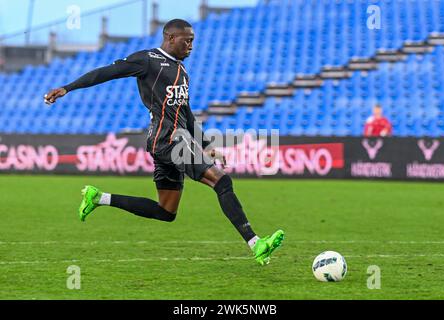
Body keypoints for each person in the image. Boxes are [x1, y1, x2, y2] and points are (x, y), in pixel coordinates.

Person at [43, 19, 284, 266]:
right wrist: (68, 88)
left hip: (165, 142)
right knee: (222, 181)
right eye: (186, 40)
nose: (191, 45)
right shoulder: (147, 60)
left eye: (193, 41)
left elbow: (186, 112)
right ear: (170, 38)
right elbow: (107, 72)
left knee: (166, 211)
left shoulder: (182, 71)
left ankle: (99, 198)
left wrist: (207, 145)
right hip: (169, 139)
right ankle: (256, 244)